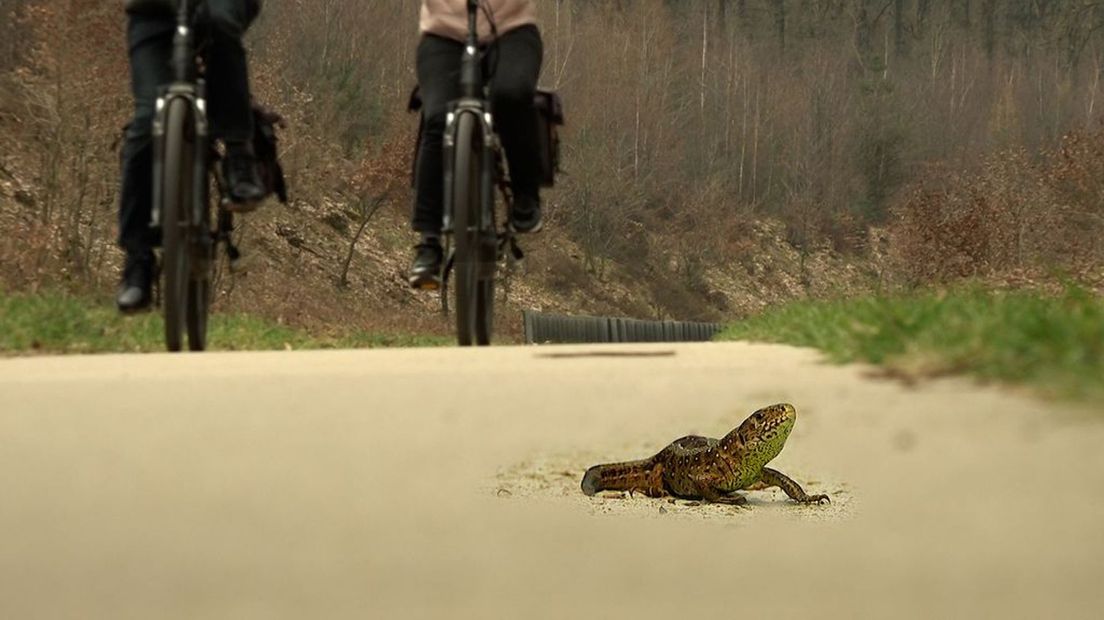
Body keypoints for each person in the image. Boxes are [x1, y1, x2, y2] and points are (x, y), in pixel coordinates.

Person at [116, 0, 266, 312]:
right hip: (152, 14)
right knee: (145, 123)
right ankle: (138, 261)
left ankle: (239, 156)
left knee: (220, 22)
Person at [409, 0, 544, 289]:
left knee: (512, 95)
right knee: (437, 118)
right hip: (444, 35)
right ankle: (429, 243)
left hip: (511, 30)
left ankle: (525, 194)